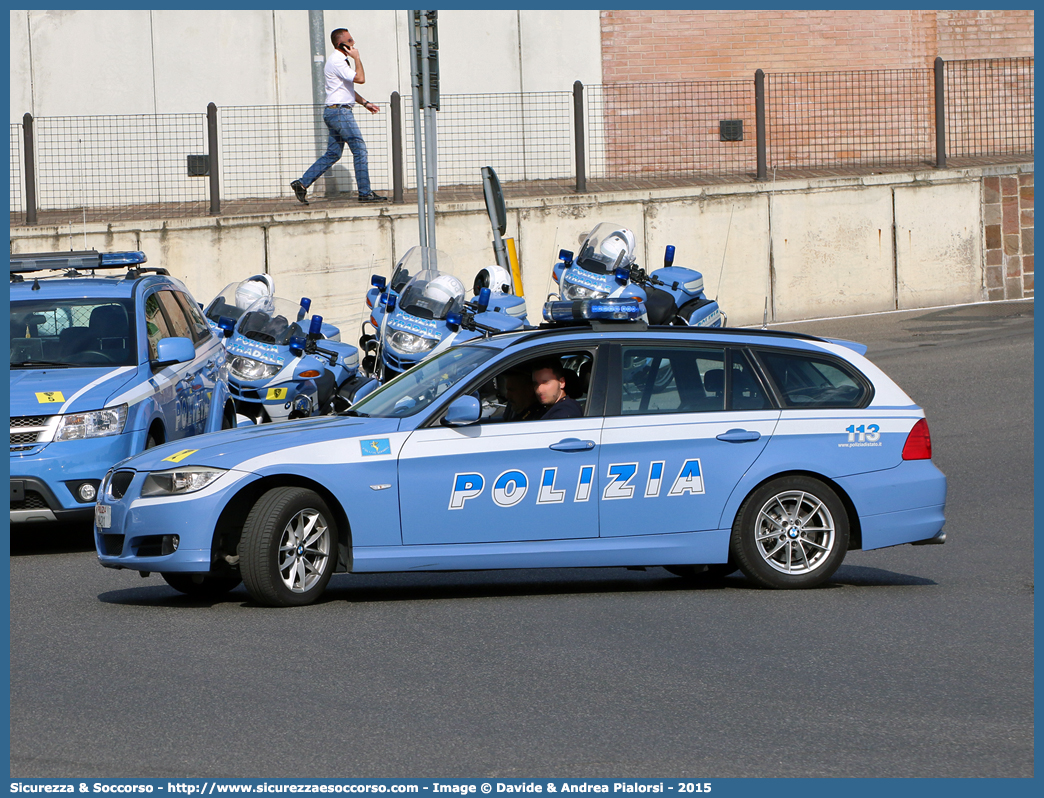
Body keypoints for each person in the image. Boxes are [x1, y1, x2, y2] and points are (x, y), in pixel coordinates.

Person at [290, 28, 387, 205]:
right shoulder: (338, 61)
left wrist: (365, 103)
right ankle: (365, 193)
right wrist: (357, 58)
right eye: (350, 41)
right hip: (340, 113)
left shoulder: (340, 61)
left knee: (333, 153)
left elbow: (346, 89)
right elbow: (360, 78)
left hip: (335, 111)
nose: (353, 43)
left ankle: (302, 184)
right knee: (360, 150)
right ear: (340, 44)